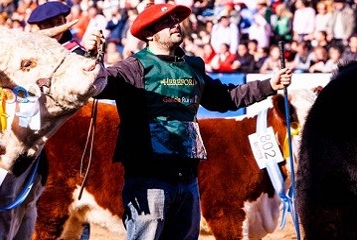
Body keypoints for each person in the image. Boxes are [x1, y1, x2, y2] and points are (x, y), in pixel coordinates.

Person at [83, 2, 292, 239]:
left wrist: (269, 85)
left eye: (175, 20)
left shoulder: (193, 67)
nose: (175, 25)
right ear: (149, 34)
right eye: (166, 22)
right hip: (149, 182)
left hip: (188, 179)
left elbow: (225, 99)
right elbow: (96, 85)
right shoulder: (133, 68)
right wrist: (89, 54)